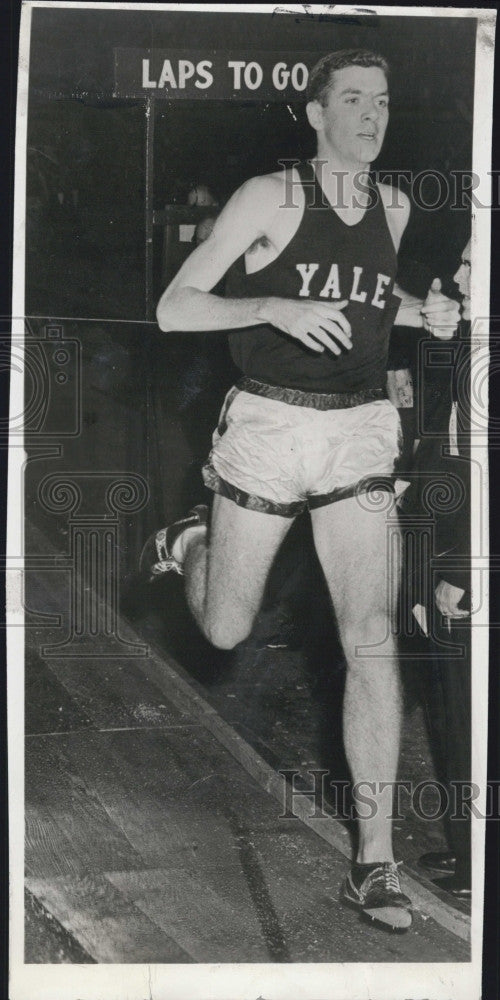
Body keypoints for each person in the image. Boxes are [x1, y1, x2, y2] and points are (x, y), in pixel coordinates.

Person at [141, 49, 460, 931]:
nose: (371, 114)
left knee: (371, 640)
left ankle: (375, 863)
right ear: (315, 113)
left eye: (382, 101)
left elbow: (365, 302)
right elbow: (176, 306)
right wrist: (270, 306)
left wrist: (419, 313)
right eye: (352, 100)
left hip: (358, 426)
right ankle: (194, 541)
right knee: (227, 628)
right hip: (270, 426)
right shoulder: (268, 198)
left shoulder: (392, 207)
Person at [407, 242, 472, 897]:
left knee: (473, 713)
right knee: (454, 714)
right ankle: (468, 849)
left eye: (472, 266)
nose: (456, 275)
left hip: (472, 563)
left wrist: (466, 573)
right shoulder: (474, 340)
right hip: (448, 551)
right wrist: (441, 340)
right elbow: (437, 434)